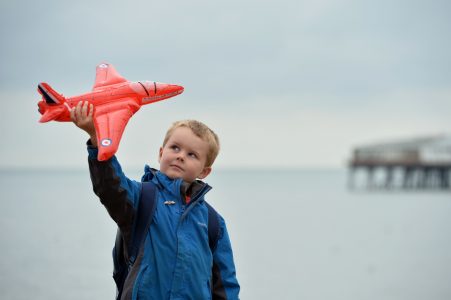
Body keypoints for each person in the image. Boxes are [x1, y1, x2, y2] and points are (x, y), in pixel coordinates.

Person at [70, 101, 240, 299]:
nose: (181, 156)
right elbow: (110, 187)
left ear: (204, 171)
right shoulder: (142, 197)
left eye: (192, 154)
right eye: (175, 148)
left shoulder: (213, 223)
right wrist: (98, 142)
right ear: (161, 153)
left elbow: (225, 285)